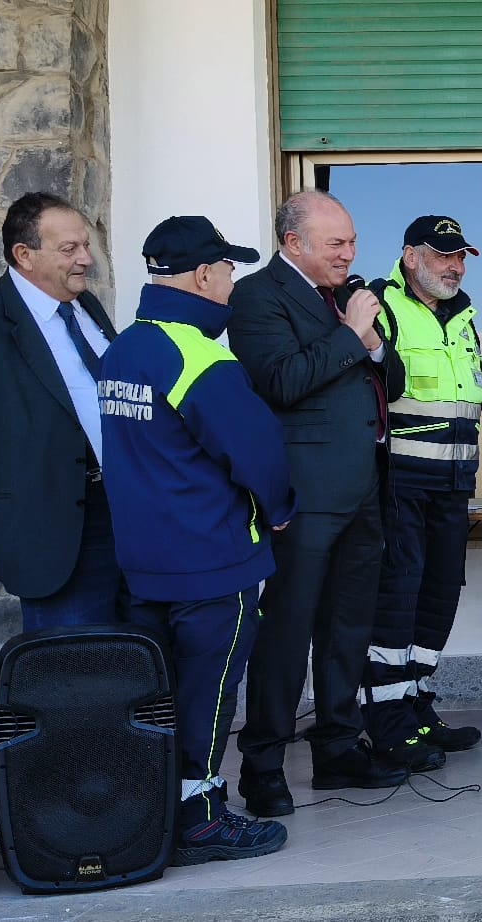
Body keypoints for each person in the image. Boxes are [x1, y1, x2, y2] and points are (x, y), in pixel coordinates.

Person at [99, 216, 294, 864]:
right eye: (229, 269)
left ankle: (151, 810)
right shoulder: (201, 355)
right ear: (205, 274)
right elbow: (259, 455)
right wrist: (282, 510)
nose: (233, 281)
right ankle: (201, 816)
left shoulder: (123, 348)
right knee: (207, 696)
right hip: (212, 563)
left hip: (142, 563)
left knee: (152, 696)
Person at [231, 190, 409, 816]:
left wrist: (375, 345)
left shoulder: (347, 299)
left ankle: (337, 747)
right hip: (303, 494)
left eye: (352, 242)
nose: (349, 253)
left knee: (348, 625)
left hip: (362, 490)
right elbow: (280, 380)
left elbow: (394, 378)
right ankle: (263, 765)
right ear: (293, 243)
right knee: (287, 629)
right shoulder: (257, 296)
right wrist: (354, 335)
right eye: (336, 243)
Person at [0, 192, 126, 631]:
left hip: (128, 513)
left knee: (140, 663)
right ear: (24, 255)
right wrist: (8, 509)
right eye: (69, 249)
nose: (86, 259)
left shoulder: (87, 307)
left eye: (85, 245)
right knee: (75, 674)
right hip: (56, 531)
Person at [356, 216, 482, 768]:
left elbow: (466, 403)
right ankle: (388, 724)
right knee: (396, 599)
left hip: (453, 484)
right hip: (399, 480)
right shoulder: (379, 304)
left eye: (460, 256)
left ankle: (417, 709)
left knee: (440, 594)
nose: (454, 265)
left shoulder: (464, 315)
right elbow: (379, 386)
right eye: (443, 255)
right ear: (410, 256)